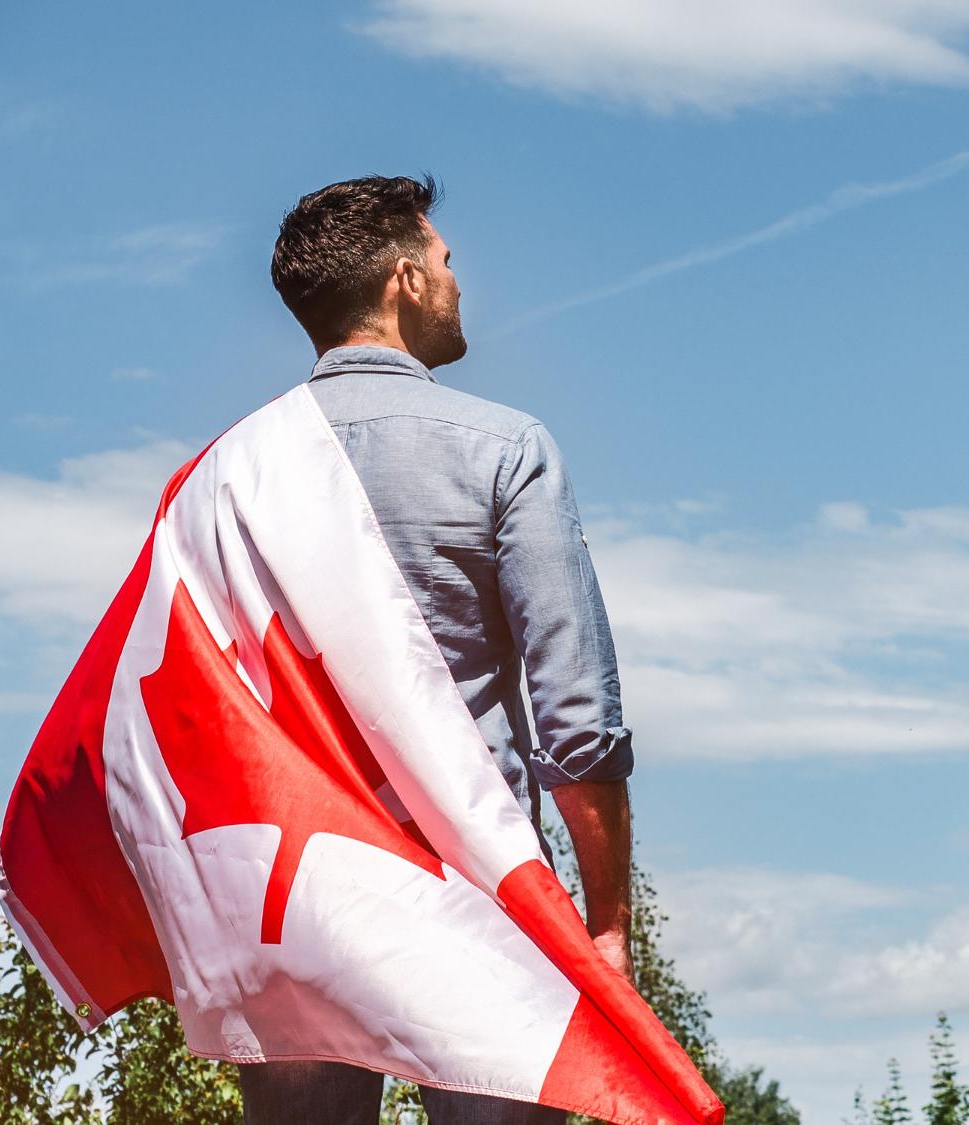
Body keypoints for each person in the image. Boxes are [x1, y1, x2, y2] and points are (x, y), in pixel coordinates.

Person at [232, 174, 636, 1125]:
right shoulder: (503, 449)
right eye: (446, 262)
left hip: (294, 895)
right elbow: (576, 720)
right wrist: (609, 924)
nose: (457, 282)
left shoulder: (227, 472)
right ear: (406, 280)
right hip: (475, 886)